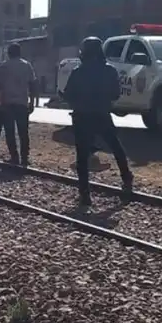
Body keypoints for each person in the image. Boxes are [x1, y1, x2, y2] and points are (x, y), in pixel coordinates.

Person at [63, 37, 134, 206]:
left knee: (82, 156)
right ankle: (127, 178)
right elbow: (116, 94)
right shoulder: (109, 70)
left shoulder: (78, 72)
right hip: (102, 114)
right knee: (116, 147)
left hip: (82, 117)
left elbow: (68, 94)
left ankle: (85, 194)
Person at [0, 42, 38, 167]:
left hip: (7, 103)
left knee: (10, 132)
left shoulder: (3, 67)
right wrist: (33, 102)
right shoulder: (27, 65)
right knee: (23, 132)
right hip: (22, 103)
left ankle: (14, 157)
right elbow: (33, 85)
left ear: (9, 53)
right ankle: (25, 158)